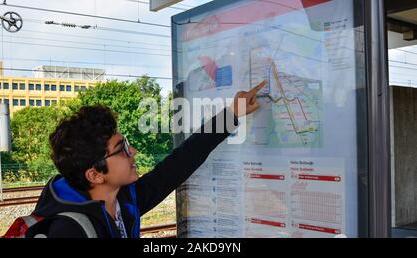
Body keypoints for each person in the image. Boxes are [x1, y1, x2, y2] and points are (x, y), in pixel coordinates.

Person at [25, 81, 267, 238]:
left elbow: (180, 163)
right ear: (95, 174)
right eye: (121, 149)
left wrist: (232, 113)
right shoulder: (67, 231)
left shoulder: (125, 201)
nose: (134, 152)